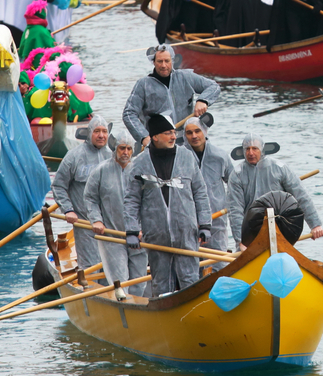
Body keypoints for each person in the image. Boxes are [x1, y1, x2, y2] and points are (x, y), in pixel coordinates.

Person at [124, 114, 212, 296]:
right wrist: (132, 230)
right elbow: (132, 199)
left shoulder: (186, 157)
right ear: (155, 137)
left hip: (185, 232)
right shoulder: (139, 163)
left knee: (190, 280)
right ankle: (163, 307)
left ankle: (191, 307)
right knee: (161, 283)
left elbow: (200, 192)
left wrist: (205, 224)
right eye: (168, 133)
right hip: (156, 235)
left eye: (174, 132)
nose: (174, 137)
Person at [227, 133, 323, 250]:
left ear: (262, 150)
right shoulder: (236, 175)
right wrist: (241, 241)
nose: (251, 153)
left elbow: (301, 196)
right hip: (250, 233)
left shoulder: (280, 168)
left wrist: (315, 225)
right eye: (247, 149)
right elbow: (235, 210)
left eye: (255, 148)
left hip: (279, 229)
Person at [84, 132, 150, 299]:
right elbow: (90, 198)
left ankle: (136, 307)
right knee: (120, 280)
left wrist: (144, 229)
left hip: (139, 235)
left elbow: (151, 202)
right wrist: (96, 220)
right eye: (122, 148)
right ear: (115, 148)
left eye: (129, 149)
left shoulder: (141, 171)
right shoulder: (100, 171)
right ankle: (122, 306)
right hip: (113, 236)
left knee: (140, 280)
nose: (125, 152)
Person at [122, 46, 221, 147]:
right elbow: (129, 114)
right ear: (153, 62)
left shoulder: (186, 77)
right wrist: (143, 137)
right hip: (160, 144)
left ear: (172, 61)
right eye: (160, 61)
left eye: (167, 61)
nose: (163, 65)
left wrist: (203, 100)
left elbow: (214, 86)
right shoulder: (143, 85)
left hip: (187, 142)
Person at [51, 116, 112, 271]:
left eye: (104, 131)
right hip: (85, 224)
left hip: (110, 225)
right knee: (91, 268)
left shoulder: (113, 156)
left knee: (111, 269)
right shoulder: (73, 156)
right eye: (97, 131)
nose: (101, 135)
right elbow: (58, 185)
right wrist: (68, 209)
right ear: (89, 133)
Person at [182, 116, 234, 252]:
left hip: (216, 219)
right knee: (191, 261)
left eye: (197, 131)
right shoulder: (179, 157)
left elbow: (235, 185)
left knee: (218, 259)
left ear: (204, 131)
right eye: (189, 133)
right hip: (188, 220)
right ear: (185, 136)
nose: (194, 136)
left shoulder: (220, 156)